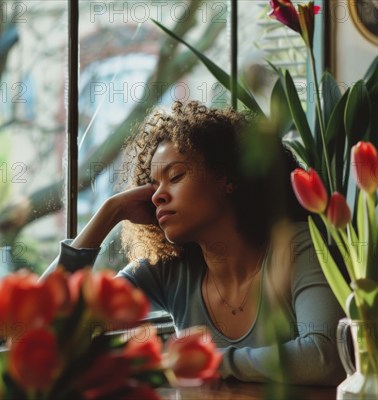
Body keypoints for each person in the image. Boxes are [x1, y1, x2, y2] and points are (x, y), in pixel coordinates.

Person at [45, 101, 344, 384]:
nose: (157, 195)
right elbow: (44, 320)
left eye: (175, 176)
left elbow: (324, 357)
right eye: (153, 184)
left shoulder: (297, 246)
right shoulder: (168, 270)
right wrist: (110, 213)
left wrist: (205, 360)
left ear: (228, 178)